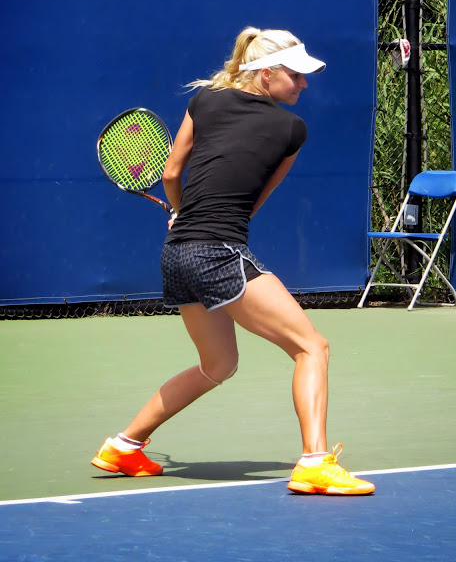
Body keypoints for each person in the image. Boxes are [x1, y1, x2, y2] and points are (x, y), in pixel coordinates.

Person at [91, 27, 375, 495]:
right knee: (312, 348)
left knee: (217, 365)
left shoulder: (203, 102)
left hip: (177, 252)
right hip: (217, 250)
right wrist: (204, 221)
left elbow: (171, 172)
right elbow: (255, 199)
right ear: (265, 75)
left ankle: (123, 446)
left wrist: (182, 213)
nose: (303, 85)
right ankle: (315, 463)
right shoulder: (291, 130)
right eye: (296, 75)